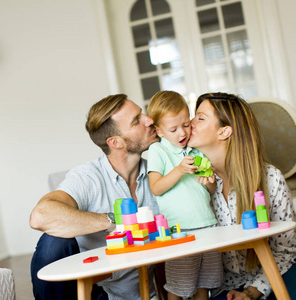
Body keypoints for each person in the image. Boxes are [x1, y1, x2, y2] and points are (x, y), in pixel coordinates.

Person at [29, 94, 160, 300]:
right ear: (115, 142)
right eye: (137, 120)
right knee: (53, 241)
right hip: (99, 294)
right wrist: (110, 221)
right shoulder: (88, 177)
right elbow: (40, 216)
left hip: (147, 294)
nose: (149, 119)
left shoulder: (159, 175)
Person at [187, 92, 296, 300]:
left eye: (200, 118)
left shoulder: (270, 178)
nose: (189, 123)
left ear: (224, 131)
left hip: (274, 277)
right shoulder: (194, 185)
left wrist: (251, 292)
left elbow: (285, 251)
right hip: (224, 288)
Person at [146, 91, 223, 300]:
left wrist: (210, 183)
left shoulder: (195, 150)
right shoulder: (157, 151)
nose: (182, 133)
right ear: (159, 131)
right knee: (179, 286)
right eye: (173, 129)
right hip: (180, 230)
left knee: (204, 285)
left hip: (208, 225)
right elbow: (156, 187)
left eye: (186, 125)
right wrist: (179, 170)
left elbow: (210, 192)